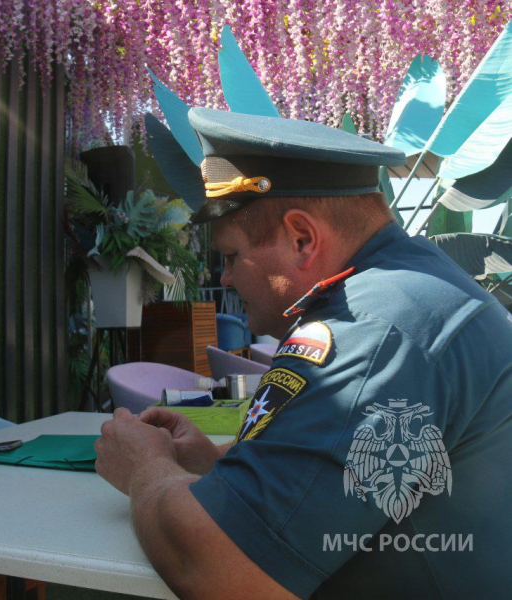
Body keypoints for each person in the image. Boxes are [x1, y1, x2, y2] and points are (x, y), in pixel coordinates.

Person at [95, 109, 512, 598]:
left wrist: (144, 469)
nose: (224, 278)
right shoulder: (404, 288)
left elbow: (227, 575)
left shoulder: (372, 330)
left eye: (230, 255)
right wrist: (211, 463)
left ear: (302, 238)